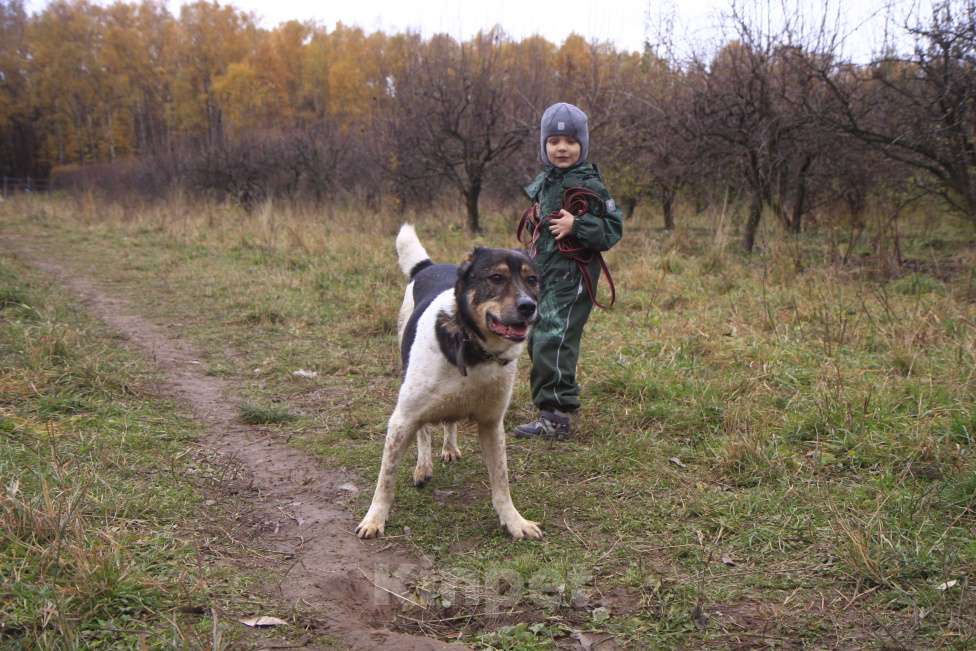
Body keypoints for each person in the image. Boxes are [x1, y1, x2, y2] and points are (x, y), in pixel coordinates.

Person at [513, 102, 623, 440]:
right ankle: (554, 405)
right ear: (544, 145)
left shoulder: (589, 184)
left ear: (583, 145)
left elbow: (612, 228)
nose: (562, 148)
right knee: (539, 337)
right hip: (545, 273)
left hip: (573, 276)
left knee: (553, 339)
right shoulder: (549, 180)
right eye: (554, 141)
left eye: (571, 141)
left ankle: (556, 417)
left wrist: (578, 224)